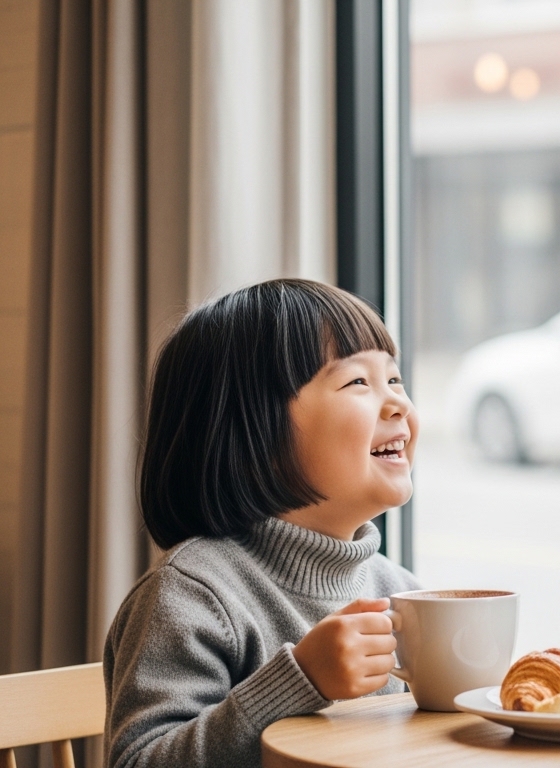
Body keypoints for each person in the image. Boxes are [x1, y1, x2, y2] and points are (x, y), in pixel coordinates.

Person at [105, 279, 421, 768]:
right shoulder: (192, 595)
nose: (398, 402)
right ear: (253, 430)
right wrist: (300, 682)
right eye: (358, 381)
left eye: (394, 379)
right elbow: (138, 761)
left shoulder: (400, 590)